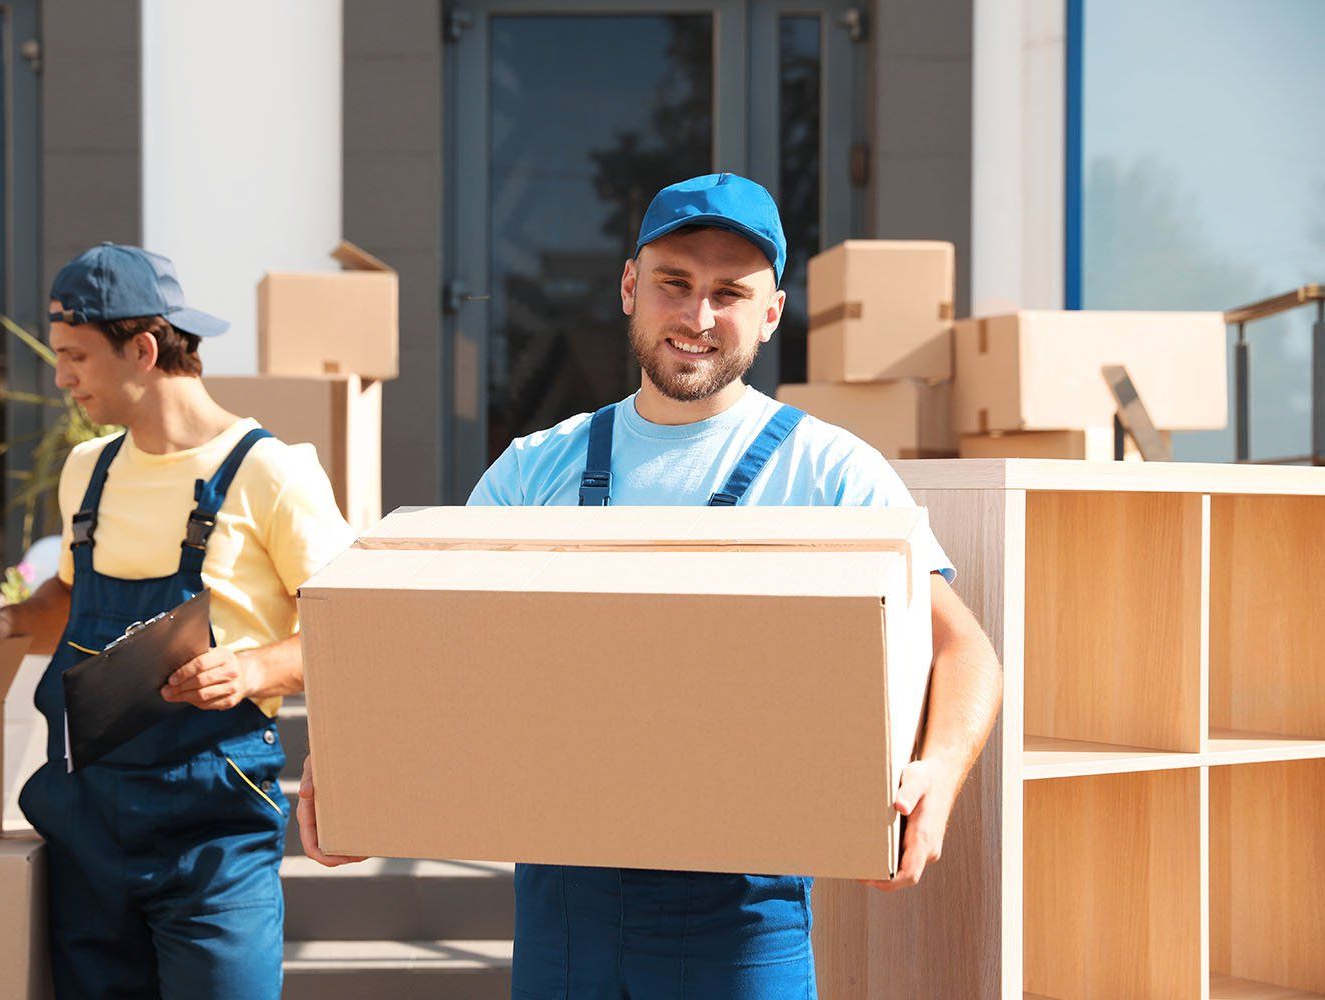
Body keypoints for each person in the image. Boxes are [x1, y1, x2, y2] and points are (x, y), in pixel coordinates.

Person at [297, 172, 1002, 997]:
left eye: (729, 294)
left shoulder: (831, 472)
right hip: (563, 919)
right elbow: (429, 642)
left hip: (742, 929)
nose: (698, 318)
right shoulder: (534, 471)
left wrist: (938, 776)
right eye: (675, 284)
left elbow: (966, 649)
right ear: (631, 287)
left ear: (771, 313)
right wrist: (352, 765)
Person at [0, 243, 354, 999]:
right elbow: (67, 596)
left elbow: (357, 637)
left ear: (145, 349)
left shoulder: (272, 473)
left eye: (75, 357)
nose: (60, 379)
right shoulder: (87, 471)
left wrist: (254, 669)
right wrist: (9, 621)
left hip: (214, 838)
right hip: (86, 830)